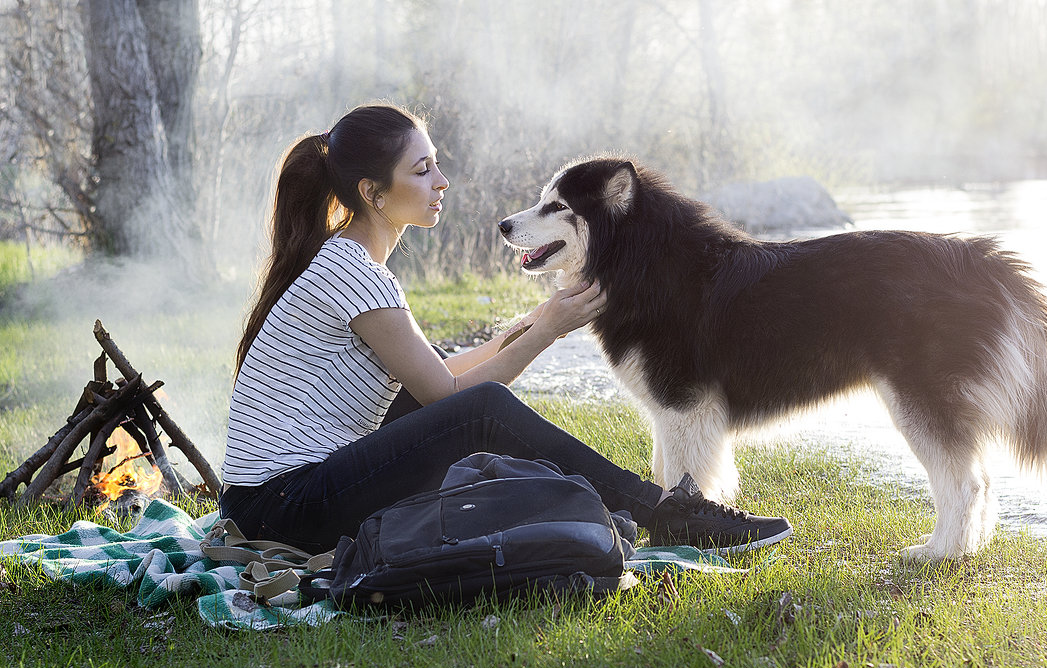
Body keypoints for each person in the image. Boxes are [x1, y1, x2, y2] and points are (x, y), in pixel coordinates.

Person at [218, 103, 791, 557]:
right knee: (484, 409)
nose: (441, 181)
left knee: (448, 405)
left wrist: (539, 323)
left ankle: (645, 508)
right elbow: (455, 401)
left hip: (271, 502)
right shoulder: (353, 272)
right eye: (422, 171)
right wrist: (545, 333)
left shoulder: (348, 263)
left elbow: (436, 378)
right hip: (283, 508)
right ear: (372, 193)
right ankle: (669, 512)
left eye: (436, 162)